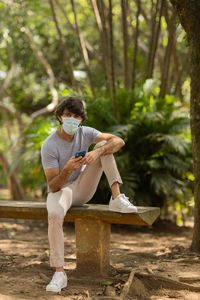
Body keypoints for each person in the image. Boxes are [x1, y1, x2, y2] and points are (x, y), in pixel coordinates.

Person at [41, 96, 137, 292]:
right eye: (68, 115)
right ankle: (59, 273)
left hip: (83, 188)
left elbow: (119, 141)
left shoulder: (86, 133)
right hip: (61, 190)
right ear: (60, 117)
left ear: (82, 120)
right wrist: (66, 169)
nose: (72, 120)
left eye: (77, 116)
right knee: (54, 214)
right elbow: (52, 186)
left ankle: (117, 197)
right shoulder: (49, 145)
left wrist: (96, 153)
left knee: (105, 146)